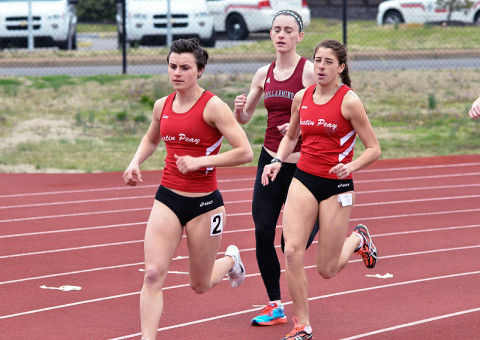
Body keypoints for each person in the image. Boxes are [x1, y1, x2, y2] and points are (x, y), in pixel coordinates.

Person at [123, 38, 253, 340]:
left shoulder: (214, 107)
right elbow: (152, 140)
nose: (176, 73)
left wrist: (200, 161)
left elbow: (245, 152)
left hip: (205, 205)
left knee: (200, 284)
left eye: (185, 67)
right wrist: (134, 163)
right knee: (153, 273)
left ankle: (232, 261)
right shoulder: (162, 106)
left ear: (200, 70)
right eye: (172, 66)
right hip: (167, 198)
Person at [262, 39, 381, 340]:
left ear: (341, 67)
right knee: (291, 251)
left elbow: (373, 148)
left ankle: (357, 239)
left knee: (326, 270)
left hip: (337, 185)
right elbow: (291, 137)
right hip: (304, 179)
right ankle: (303, 324)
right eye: (317, 60)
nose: (321, 67)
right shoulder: (301, 97)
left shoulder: (349, 101)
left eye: (328, 62)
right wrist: (277, 160)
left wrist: (351, 167)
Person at [233, 9, 319, 326]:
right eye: (276, 30)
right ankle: (275, 305)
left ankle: (321, 216)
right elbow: (245, 119)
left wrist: (299, 129)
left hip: (302, 167)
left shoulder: (309, 72)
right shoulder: (262, 74)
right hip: (270, 161)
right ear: (270, 35)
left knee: (290, 245)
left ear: (300, 36)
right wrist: (239, 109)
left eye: (288, 30)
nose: (281, 35)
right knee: (262, 230)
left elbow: (325, 116)